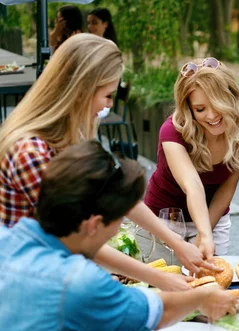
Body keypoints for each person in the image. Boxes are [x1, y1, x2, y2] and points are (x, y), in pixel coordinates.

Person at [0, 141, 238, 331]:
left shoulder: (8, 238)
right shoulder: (77, 281)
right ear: (94, 224)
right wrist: (203, 296)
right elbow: (161, 311)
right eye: (117, 222)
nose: (115, 232)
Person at [0, 34, 217, 291]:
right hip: (24, 285)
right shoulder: (31, 152)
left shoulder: (69, 137)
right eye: (107, 95)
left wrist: (177, 244)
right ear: (81, 90)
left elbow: (116, 194)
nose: (108, 106)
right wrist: (158, 278)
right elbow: (77, 238)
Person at [144, 57, 239, 259]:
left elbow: (226, 189)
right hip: (164, 217)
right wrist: (204, 233)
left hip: (213, 219)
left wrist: (205, 233)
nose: (212, 115)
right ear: (189, 108)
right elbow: (193, 185)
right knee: (166, 284)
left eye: (218, 104)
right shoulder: (172, 131)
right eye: (200, 109)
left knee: (211, 284)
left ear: (231, 99)